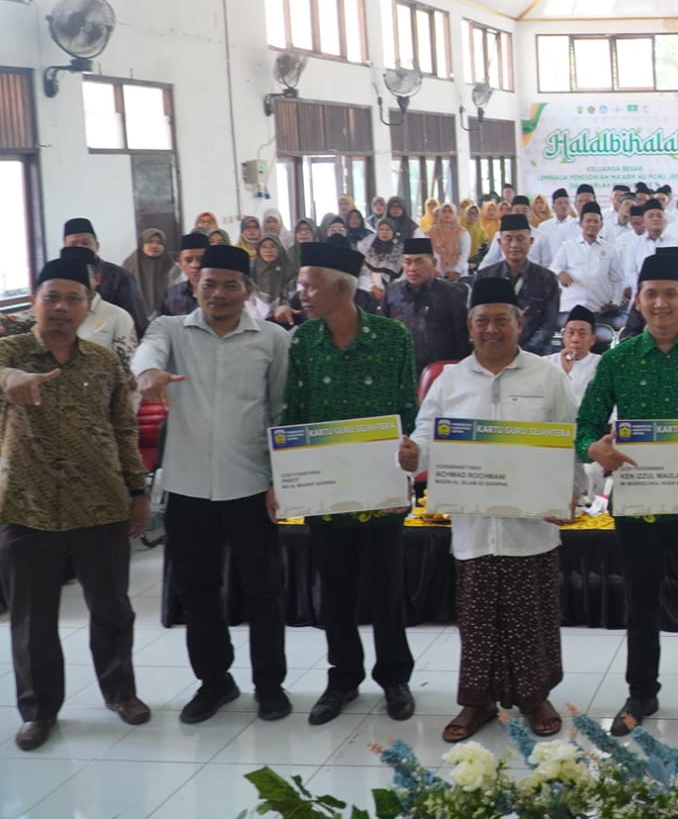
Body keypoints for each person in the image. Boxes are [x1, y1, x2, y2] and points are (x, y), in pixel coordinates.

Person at [576, 250, 678, 738]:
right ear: (638, 301)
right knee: (641, 603)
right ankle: (641, 693)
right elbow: (584, 425)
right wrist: (595, 448)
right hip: (639, 506)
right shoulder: (618, 359)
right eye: (652, 294)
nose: (662, 303)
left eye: (671, 294)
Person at [409, 276, 579, 742]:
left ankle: (535, 695)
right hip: (475, 523)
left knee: (532, 612)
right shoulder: (451, 380)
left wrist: (571, 494)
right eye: (481, 321)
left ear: (519, 324)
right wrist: (413, 455)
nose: (491, 329)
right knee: (479, 615)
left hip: (533, 523)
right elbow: (426, 434)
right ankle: (476, 700)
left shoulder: (548, 376)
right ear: (469, 328)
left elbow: (570, 438)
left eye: (501, 319)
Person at [131, 244, 292, 723]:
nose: (218, 294)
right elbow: (147, 353)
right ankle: (214, 682)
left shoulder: (273, 339)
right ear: (194, 286)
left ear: (247, 290)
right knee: (197, 591)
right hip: (188, 487)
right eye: (209, 284)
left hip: (250, 485)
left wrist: (278, 478)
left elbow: (281, 410)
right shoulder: (171, 330)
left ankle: (270, 685)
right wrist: (147, 374)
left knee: (264, 590)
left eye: (229, 285)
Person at [0, 256, 151, 750]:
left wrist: (137, 491)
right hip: (28, 508)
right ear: (34, 303)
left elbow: (124, 430)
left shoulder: (105, 362)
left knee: (112, 609)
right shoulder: (9, 353)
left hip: (101, 505)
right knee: (32, 619)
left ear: (89, 307)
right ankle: (39, 710)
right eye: (51, 298)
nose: (61, 308)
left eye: (72, 299)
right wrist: (8, 381)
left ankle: (120, 693)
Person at [284, 242, 419, 725]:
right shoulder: (302, 341)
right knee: (334, 590)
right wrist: (289, 477)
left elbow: (408, 409)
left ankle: (395, 678)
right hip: (325, 490)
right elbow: (294, 414)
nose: (301, 293)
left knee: (386, 588)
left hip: (381, 489)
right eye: (300, 285)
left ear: (342, 287)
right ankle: (342, 678)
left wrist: (408, 464)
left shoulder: (392, 338)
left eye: (308, 285)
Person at [378, 237, 471, 375]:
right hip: (402, 370)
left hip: (441, 371)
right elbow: (383, 334)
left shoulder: (451, 294)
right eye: (407, 262)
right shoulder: (392, 292)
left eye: (419, 261)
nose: (412, 268)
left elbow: (462, 338)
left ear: (433, 263)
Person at [476, 213, 562, 354]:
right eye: (508, 239)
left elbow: (549, 323)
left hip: (536, 355)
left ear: (531, 241)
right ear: (499, 242)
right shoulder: (484, 277)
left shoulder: (546, 278)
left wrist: (525, 353)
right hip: (494, 352)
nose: (514, 245)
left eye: (520, 239)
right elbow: (477, 319)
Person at [62, 217, 148, 336]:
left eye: (86, 243)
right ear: (65, 247)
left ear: (97, 246)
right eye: (74, 244)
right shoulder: (58, 279)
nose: (80, 247)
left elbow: (137, 323)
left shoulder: (120, 277)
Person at [57, 247, 137, 366]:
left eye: (80, 275)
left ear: (97, 279)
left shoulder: (118, 317)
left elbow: (128, 370)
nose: (73, 282)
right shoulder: (53, 315)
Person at [551, 202, 624, 315]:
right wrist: (560, 273)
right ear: (580, 224)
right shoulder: (567, 246)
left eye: (596, 221)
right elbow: (553, 268)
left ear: (601, 225)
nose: (592, 224)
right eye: (588, 221)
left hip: (599, 308)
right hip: (570, 308)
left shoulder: (611, 249)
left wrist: (615, 303)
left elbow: (617, 280)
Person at [546, 305, 602, 403]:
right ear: (563, 337)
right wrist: (564, 373)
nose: (575, 339)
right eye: (571, 333)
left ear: (592, 340)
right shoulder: (546, 363)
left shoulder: (603, 364)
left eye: (582, 334)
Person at [122, 227, 176, 321]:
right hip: (135, 318)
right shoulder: (129, 265)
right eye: (150, 242)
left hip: (167, 318)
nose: (155, 246)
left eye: (159, 243)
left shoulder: (172, 266)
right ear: (142, 244)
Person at [163, 232, 211, 316]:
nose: (195, 265)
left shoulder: (222, 293)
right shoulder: (172, 295)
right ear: (180, 263)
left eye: (201, 259)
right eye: (188, 260)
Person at [426, 202, 471, 280]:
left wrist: (457, 271)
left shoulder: (462, 232)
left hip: (459, 272)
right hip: (437, 272)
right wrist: (433, 269)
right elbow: (427, 252)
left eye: (450, 211)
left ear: (455, 214)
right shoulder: (432, 232)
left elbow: (465, 253)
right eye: (444, 211)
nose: (447, 214)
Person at [364, 218, 404, 298]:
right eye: (381, 229)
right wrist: (373, 287)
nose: (384, 232)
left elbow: (404, 273)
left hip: (396, 291)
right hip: (374, 292)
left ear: (393, 232)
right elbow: (366, 271)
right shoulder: (371, 249)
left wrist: (390, 290)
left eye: (388, 230)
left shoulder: (400, 249)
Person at [251, 235, 294, 310]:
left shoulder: (290, 271)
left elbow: (293, 296)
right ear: (258, 250)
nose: (268, 250)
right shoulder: (251, 273)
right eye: (264, 247)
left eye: (273, 246)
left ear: (279, 249)